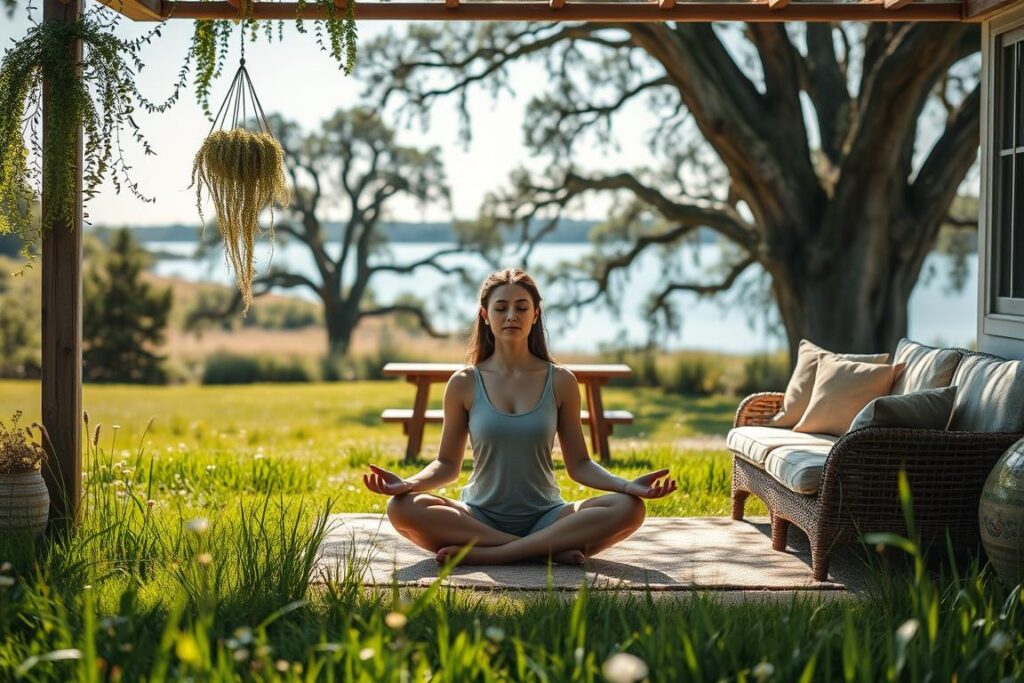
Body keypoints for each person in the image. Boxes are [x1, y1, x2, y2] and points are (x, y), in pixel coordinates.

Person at [363, 268, 677, 566]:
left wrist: (626, 487)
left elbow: (580, 465)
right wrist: (408, 483)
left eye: (521, 307)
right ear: (485, 316)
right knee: (402, 507)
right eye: (500, 307)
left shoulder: (561, 381)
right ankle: (545, 549)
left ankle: (493, 554)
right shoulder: (464, 383)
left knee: (629, 508)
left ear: (535, 314)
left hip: (548, 516)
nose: (511, 315)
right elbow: (447, 466)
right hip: (478, 516)